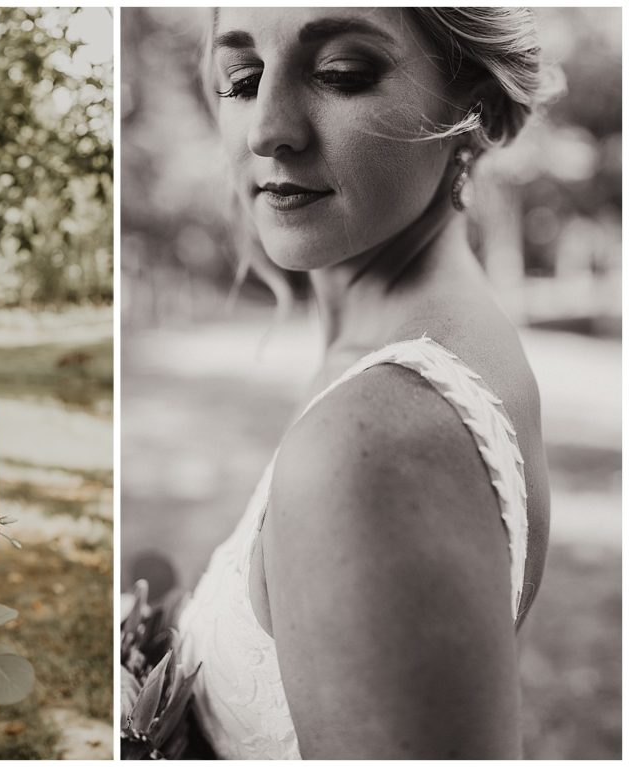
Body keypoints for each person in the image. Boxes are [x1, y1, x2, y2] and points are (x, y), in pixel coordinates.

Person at [176, 8, 553, 759]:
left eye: (341, 74)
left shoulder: (375, 443)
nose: (268, 129)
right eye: (242, 80)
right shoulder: (416, 352)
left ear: (471, 106)